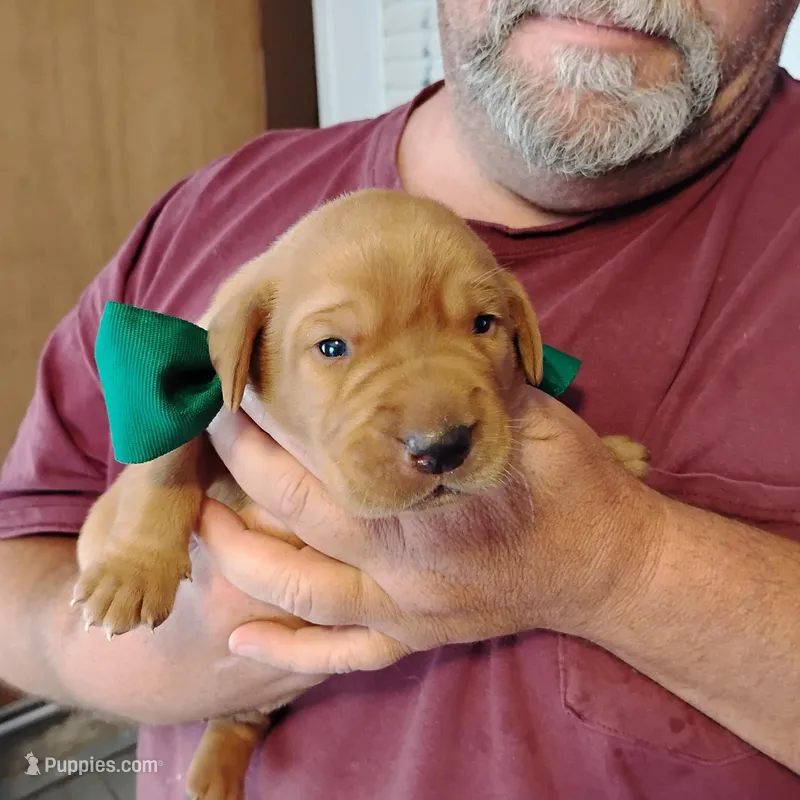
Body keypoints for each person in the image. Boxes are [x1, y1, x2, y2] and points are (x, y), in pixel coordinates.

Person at [1, 0, 798, 797]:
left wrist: (622, 566)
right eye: (335, 347)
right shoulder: (205, 209)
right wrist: (178, 651)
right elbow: (19, 568)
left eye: (481, 325)